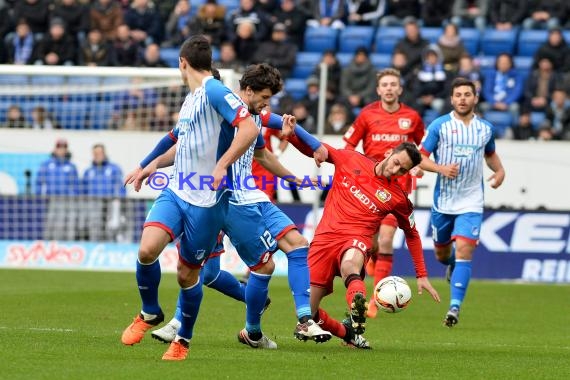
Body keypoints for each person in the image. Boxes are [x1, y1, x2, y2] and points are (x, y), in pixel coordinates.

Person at [134, 64, 332, 349]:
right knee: (208, 267)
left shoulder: (251, 113)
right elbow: (177, 142)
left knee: (290, 249)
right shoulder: (217, 112)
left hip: (246, 196)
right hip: (217, 198)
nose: (267, 104)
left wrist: (302, 164)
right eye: (264, 97)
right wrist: (150, 164)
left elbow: (267, 144)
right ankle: (183, 322)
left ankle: (284, 322)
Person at [120, 35, 261, 361]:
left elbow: (250, 129)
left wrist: (222, 165)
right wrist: (148, 164)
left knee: (187, 274)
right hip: (177, 190)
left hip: (207, 201)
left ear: (183, 63)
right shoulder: (192, 99)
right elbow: (178, 142)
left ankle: (182, 340)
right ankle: (151, 311)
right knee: (146, 249)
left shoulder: (214, 90)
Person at [288, 134, 441, 348]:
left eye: (403, 170)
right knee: (307, 312)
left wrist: (422, 275)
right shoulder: (351, 160)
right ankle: (348, 332)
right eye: (397, 163)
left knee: (350, 264)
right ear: (390, 154)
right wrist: (290, 136)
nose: (396, 171)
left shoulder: (397, 198)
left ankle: (357, 307)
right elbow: (315, 148)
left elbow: (413, 233)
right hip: (324, 240)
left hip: (356, 239)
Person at [419, 77, 506, 327]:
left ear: (475, 98)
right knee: (441, 254)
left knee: (466, 249)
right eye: (458, 95)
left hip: (472, 200)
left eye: (467, 94)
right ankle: (451, 265)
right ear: (452, 99)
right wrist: (440, 168)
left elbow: (490, 154)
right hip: (444, 202)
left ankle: (454, 307)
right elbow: (420, 157)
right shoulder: (439, 125)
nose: (463, 99)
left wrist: (500, 171)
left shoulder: (485, 128)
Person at [343, 68, 425, 318]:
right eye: (385, 85)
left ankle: (375, 300)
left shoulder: (412, 117)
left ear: (400, 89)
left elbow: (422, 148)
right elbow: (348, 144)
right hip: (369, 186)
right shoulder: (367, 114)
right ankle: (375, 261)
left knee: (388, 238)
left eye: (393, 85)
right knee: (373, 243)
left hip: (398, 188)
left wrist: (420, 164)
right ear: (379, 90)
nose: (389, 88)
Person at [35, 138, 80, 241]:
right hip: (50, 199)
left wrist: (72, 198)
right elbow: (39, 181)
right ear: (55, 149)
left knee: (66, 225)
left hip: (66, 200)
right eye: (59, 147)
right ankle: (49, 246)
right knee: (50, 224)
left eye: (64, 147)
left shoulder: (71, 166)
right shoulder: (47, 164)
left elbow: (76, 185)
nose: (61, 150)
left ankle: (64, 247)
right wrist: (39, 196)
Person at [80, 144, 127, 242]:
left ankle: (110, 248)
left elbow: (120, 186)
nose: (98, 155)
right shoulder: (88, 171)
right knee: (95, 228)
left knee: (111, 228)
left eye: (100, 153)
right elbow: (83, 189)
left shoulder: (114, 169)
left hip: (110, 203)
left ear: (104, 153)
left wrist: (120, 201)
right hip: (93, 204)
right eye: (95, 153)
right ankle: (95, 246)